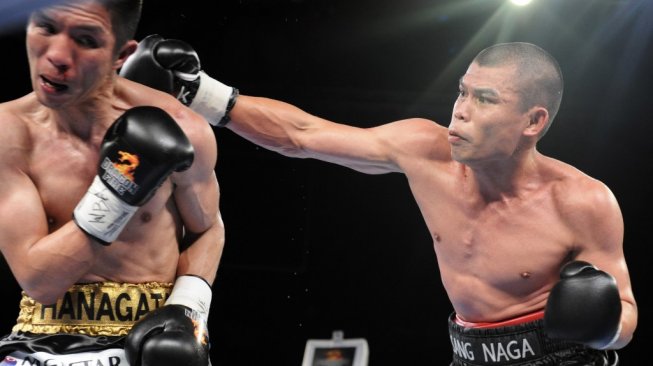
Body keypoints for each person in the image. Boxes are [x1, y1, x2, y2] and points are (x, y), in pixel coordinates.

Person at [121, 36, 638, 365]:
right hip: (467, 355)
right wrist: (199, 91)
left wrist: (605, 324)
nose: (460, 110)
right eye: (462, 91)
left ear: (534, 122)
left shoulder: (582, 202)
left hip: (563, 359)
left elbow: (626, 316)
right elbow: (301, 134)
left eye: (485, 100)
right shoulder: (424, 150)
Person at [0, 2, 224, 366]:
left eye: (85, 40)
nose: (57, 55)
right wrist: (121, 187)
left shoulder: (183, 126)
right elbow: (39, 282)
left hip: (148, 341)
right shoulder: (8, 133)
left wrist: (188, 309)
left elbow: (208, 228)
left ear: (121, 54)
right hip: (39, 343)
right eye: (45, 27)